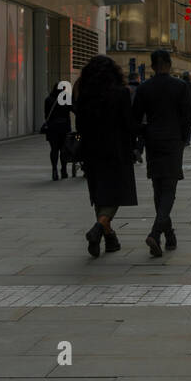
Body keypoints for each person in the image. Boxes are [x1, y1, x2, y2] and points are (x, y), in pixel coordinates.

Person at [74, 54, 138, 258]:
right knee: (116, 193)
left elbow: (80, 125)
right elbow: (128, 124)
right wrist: (135, 147)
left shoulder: (84, 95)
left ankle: (109, 238)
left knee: (99, 193)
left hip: (91, 150)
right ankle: (99, 228)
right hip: (116, 149)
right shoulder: (121, 94)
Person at [132, 50, 191, 257]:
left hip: (153, 142)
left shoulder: (144, 88)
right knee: (169, 189)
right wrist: (183, 138)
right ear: (168, 64)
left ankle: (169, 235)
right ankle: (156, 232)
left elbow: (135, 119)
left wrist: (145, 135)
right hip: (173, 141)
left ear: (152, 66)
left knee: (158, 187)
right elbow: (188, 116)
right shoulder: (180, 86)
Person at [42, 84, 75, 181]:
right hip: (64, 128)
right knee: (63, 150)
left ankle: (54, 170)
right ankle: (64, 170)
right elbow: (74, 110)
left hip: (52, 128)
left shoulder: (48, 99)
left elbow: (46, 114)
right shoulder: (65, 99)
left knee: (54, 149)